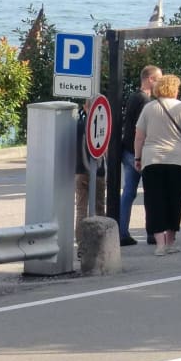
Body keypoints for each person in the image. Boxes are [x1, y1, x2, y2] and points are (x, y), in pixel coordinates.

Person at [134, 74, 181, 256]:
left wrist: (137, 157)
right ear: (174, 88)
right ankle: (171, 241)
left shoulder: (149, 108)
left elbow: (139, 136)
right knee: (175, 199)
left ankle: (159, 244)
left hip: (152, 159)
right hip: (178, 160)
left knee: (154, 200)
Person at [119, 65, 161, 246]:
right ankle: (152, 232)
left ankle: (121, 232)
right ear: (150, 79)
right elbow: (142, 131)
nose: (161, 83)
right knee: (152, 192)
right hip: (139, 153)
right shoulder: (145, 101)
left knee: (129, 192)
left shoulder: (134, 97)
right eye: (159, 79)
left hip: (127, 150)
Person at [75, 106, 105, 252]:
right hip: (98, 171)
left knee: (81, 209)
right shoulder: (101, 124)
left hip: (80, 171)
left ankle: (81, 246)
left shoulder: (79, 124)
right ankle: (100, 244)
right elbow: (105, 150)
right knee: (99, 209)